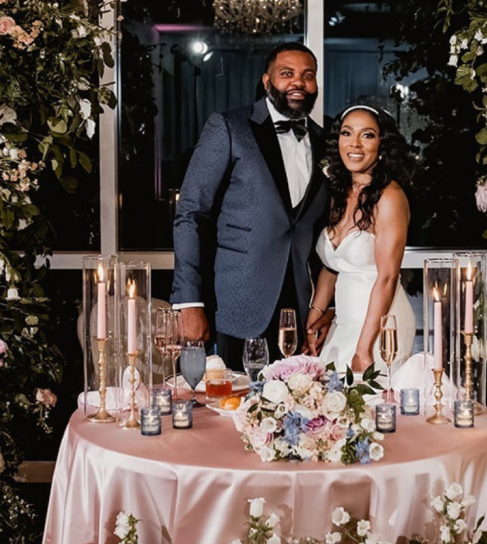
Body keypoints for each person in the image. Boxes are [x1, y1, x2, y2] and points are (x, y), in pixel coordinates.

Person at [171, 42, 333, 370]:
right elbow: (190, 212)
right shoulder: (229, 127)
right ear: (266, 81)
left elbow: (327, 231)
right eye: (286, 74)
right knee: (231, 411)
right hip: (238, 305)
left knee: (298, 413)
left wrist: (328, 308)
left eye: (308, 75)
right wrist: (189, 301)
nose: (298, 83)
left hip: (303, 311)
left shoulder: (327, 140)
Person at [307, 105, 416, 375]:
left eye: (367, 135)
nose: (354, 144)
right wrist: (316, 314)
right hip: (343, 322)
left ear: (382, 144)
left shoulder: (389, 198)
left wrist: (364, 347)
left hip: (380, 326)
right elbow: (333, 265)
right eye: (347, 133)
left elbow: (388, 277)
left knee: (370, 407)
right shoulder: (339, 192)